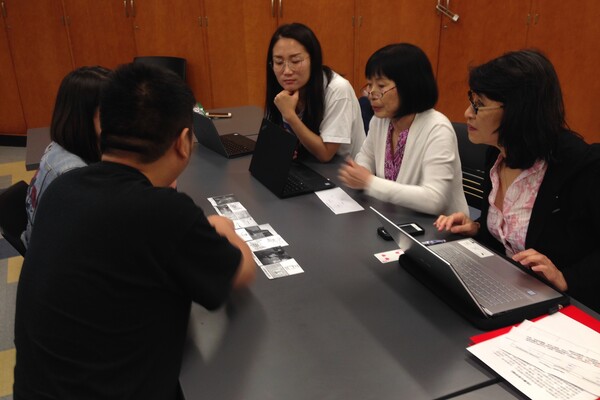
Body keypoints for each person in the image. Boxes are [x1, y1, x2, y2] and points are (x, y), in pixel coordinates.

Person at [14, 63, 257, 399]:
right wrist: (223, 227)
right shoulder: (166, 214)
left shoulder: (65, 188)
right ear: (184, 142)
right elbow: (242, 270)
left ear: (103, 129)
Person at [434, 49, 600, 312]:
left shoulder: (582, 166)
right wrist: (479, 229)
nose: (467, 113)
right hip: (510, 293)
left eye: (479, 104)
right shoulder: (497, 154)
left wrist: (567, 279)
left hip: (566, 309)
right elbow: (513, 238)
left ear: (517, 110)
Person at [338, 43, 468, 216]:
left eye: (381, 86)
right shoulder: (381, 121)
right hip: (396, 219)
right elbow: (366, 158)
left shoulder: (437, 129)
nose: (371, 94)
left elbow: (434, 200)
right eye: (370, 85)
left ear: (409, 86)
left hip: (439, 230)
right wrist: (358, 173)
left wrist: (369, 182)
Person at [23, 65, 111, 248]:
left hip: (44, 238)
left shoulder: (62, 145)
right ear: (84, 117)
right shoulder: (73, 174)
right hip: (56, 254)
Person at [265, 22, 365, 162]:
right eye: (279, 62)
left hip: (343, 173)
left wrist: (290, 115)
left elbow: (325, 154)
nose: (286, 71)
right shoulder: (284, 89)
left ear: (314, 60)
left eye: (295, 61)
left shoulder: (337, 89)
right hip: (308, 165)